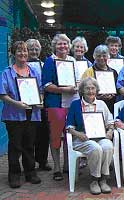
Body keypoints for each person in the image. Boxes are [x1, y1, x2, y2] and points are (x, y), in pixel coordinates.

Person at [0, 41, 41, 188]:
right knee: (15, 146)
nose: (22, 54)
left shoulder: (34, 71)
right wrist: (17, 104)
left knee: (29, 145)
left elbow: (40, 90)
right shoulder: (7, 72)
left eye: (24, 51)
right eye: (19, 51)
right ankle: (14, 175)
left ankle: (30, 172)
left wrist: (39, 101)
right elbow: (2, 94)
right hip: (14, 114)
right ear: (13, 53)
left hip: (32, 113)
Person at [66, 77, 114, 194]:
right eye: (87, 88)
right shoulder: (75, 105)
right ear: (82, 90)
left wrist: (110, 132)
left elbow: (111, 122)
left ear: (96, 90)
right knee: (95, 148)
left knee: (107, 146)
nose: (90, 91)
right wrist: (78, 134)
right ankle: (94, 180)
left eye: (93, 88)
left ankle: (103, 179)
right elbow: (69, 127)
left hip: (101, 137)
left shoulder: (102, 104)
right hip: (82, 139)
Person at [42, 34, 79, 181]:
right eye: (59, 44)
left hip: (72, 103)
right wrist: (64, 90)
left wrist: (77, 86)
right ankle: (57, 167)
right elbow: (46, 85)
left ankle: (67, 165)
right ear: (54, 46)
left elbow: (77, 80)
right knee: (56, 136)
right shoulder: (50, 61)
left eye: (65, 44)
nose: (62, 46)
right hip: (55, 104)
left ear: (69, 46)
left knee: (69, 134)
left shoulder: (73, 61)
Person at [26, 39, 52, 171]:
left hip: (42, 104)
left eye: (36, 49)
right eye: (31, 49)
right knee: (30, 135)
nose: (34, 51)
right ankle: (29, 164)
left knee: (44, 134)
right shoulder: (22, 65)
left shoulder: (44, 64)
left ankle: (42, 161)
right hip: (28, 105)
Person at [81, 45, 118, 113]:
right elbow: (82, 90)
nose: (101, 58)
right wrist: (98, 96)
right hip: (93, 105)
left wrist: (112, 94)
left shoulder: (114, 72)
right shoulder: (88, 71)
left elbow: (117, 89)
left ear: (108, 56)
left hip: (111, 105)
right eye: (98, 56)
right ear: (94, 57)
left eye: (104, 56)